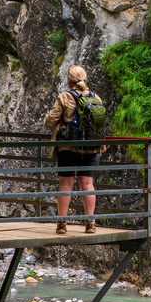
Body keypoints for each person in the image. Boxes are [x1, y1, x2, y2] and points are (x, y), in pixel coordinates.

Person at [44, 64, 102, 235]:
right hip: (90, 147)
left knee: (66, 185)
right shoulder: (95, 97)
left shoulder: (64, 97)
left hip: (68, 147)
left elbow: (50, 119)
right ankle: (90, 223)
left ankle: (62, 223)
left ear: (69, 81)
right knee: (88, 184)